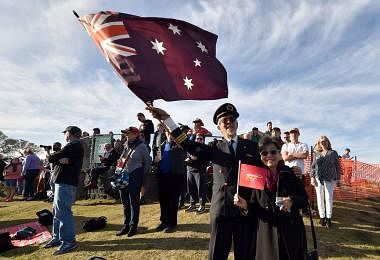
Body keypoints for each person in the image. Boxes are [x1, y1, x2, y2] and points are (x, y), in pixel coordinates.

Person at [148, 103, 262, 260]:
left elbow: (267, 169)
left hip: (244, 208)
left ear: (237, 122)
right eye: (224, 121)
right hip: (221, 208)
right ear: (219, 127)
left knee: (245, 253)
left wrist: (288, 172)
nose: (228, 122)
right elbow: (187, 144)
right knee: (217, 252)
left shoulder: (252, 147)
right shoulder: (214, 147)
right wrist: (167, 120)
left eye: (231, 119)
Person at [234, 136, 308, 259]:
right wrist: (245, 205)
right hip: (267, 233)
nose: (269, 155)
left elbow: (304, 200)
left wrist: (292, 201)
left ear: (279, 154)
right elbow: (255, 207)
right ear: (260, 156)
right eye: (264, 152)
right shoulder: (256, 177)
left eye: (273, 151)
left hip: (289, 233)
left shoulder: (290, 173)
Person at [43, 126, 84, 255]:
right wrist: (60, 159)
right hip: (62, 182)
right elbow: (56, 158)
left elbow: (51, 158)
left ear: (70, 134)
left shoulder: (73, 145)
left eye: (65, 132)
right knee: (56, 211)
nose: (64, 135)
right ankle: (57, 238)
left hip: (66, 182)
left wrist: (59, 158)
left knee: (63, 212)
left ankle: (68, 242)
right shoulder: (73, 146)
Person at [116, 127, 151, 237]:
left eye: (128, 133)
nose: (126, 134)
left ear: (135, 134)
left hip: (135, 175)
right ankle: (126, 225)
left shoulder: (142, 146)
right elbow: (122, 160)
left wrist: (141, 174)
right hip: (123, 176)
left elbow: (147, 162)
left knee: (133, 202)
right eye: (125, 133)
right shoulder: (126, 145)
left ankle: (133, 226)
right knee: (125, 202)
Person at [155, 129, 187, 233]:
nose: (170, 134)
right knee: (163, 200)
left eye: (171, 132)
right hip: (162, 176)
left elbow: (184, 145)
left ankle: (172, 223)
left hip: (175, 176)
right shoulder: (162, 145)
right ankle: (164, 221)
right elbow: (158, 158)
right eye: (168, 132)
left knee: (173, 201)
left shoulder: (180, 144)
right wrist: (156, 160)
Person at [311, 136, 341, 228]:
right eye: (321, 142)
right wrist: (312, 177)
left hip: (330, 178)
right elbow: (313, 166)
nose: (323, 143)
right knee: (320, 198)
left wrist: (338, 178)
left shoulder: (333, 153)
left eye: (325, 141)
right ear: (319, 143)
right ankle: (322, 217)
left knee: (328, 198)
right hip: (318, 178)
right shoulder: (316, 153)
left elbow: (337, 166)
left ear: (328, 142)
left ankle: (328, 218)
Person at [185, 133, 208, 214]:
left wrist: (197, 159)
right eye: (197, 138)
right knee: (190, 189)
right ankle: (192, 204)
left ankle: (202, 205)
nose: (199, 140)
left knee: (201, 189)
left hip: (200, 171)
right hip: (190, 170)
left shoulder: (205, 148)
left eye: (201, 139)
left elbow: (206, 160)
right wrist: (188, 159)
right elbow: (187, 155)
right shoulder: (191, 147)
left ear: (203, 140)